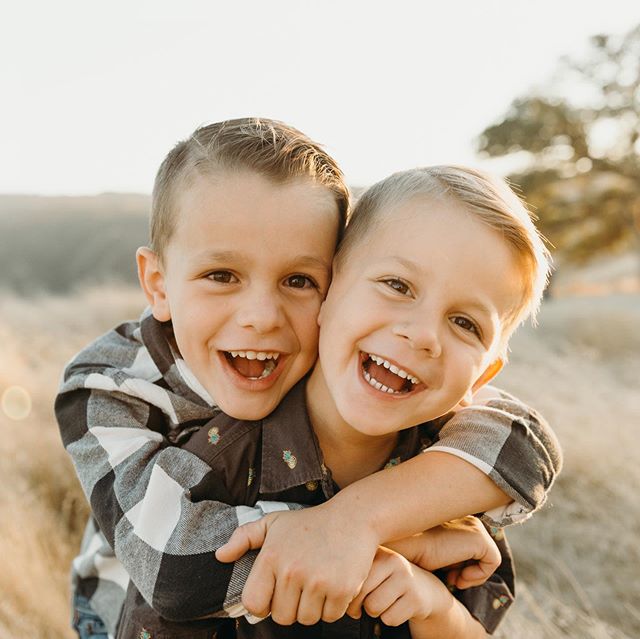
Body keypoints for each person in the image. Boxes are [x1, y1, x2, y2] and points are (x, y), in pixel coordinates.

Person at [55, 119, 559, 638]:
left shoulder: (409, 407)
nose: (262, 316)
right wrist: (385, 544)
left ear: (329, 290)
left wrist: (359, 522)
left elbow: (523, 442)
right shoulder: (114, 387)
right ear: (158, 286)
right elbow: (169, 566)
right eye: (221, 275)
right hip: (117, 604)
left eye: (298, 280)